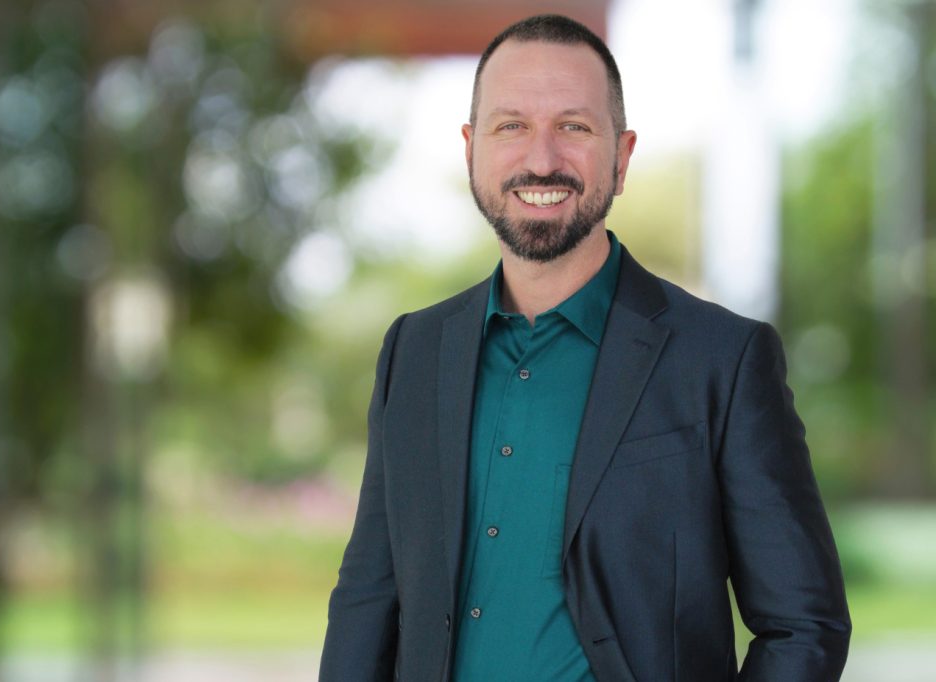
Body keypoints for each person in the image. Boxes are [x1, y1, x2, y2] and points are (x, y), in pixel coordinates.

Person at [319, 13, 851, 682]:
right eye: (511, 126)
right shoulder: (413, 352)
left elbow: (804, 626)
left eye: (574, 127)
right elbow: (369, 600)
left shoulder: (722, 360)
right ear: (470, 150)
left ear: (622, 157)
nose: (542, 159)